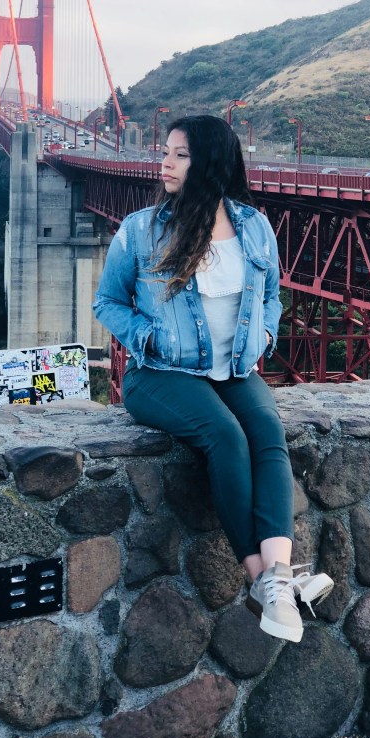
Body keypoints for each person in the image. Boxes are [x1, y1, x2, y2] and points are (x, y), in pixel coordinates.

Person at [93, 113, 333, 641]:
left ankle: (278, 576)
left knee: (268, 433)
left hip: (233, 370)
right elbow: (107, 302)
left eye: (180, 155)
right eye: (166, 152)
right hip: (159, 374)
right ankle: (265, 582)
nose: (165, 163)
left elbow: (272, 296)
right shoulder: (141, 230)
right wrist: (147, 336)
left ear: (210, 163)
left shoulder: (254, 227)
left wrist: (264, 334)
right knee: (225, 436)